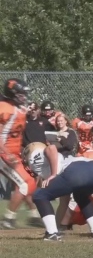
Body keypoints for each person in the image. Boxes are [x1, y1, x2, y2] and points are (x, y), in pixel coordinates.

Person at [22, 141, 93, 240]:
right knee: (81, 197)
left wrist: (53, 174)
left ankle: (51, 234)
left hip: (76, 171)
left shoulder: (35, 155)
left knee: (39, 195)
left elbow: (51, 148)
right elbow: (64, 202)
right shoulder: (54, 162)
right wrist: (57, 227)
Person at [0, 79, 40, 229]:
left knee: (28, 183)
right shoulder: (4, 108)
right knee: (24, 184)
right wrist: (6, 153)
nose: (24, 97)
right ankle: (8, 219)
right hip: (3, 154)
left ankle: (34, 215)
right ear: (12, 93)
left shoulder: (20, 109)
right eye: (21, 94)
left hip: (12, 153)